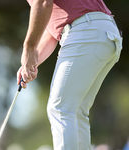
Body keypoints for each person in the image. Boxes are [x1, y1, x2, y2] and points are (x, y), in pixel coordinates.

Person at [16, 0, 123, 149]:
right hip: (103, 32)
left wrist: (29, 47)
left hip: (86, 31)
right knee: (76, 111)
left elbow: (42, 3)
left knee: (60, 108)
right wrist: (31, 63)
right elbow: (52, 29)